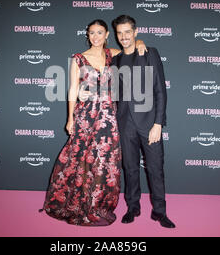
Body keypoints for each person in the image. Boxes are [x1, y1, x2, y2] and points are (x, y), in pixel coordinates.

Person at [40, 19, 146, 226]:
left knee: (105, 161)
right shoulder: (78, 59)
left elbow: (131, 48)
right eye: (91, 33)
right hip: (85, 115)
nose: (95, 36)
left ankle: (98, 205)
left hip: (108, 117)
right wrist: (70, 118)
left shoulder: (112, 54)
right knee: (81, 159)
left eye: (100, 32)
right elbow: (72, 89)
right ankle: (78, 203)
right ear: (87, 35)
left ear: (107, 35)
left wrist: (140, 41)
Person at [111, 15, 175, 228]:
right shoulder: (116, 60)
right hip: (125, 124)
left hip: (149, 124)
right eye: (120, 33)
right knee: (130, 168)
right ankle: (133, 207)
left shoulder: (149, 53)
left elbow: (160, 90)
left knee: (155, 169)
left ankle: (160, 211)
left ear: (136, 32)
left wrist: (158, 123)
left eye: (128, 32)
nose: (124, 36)